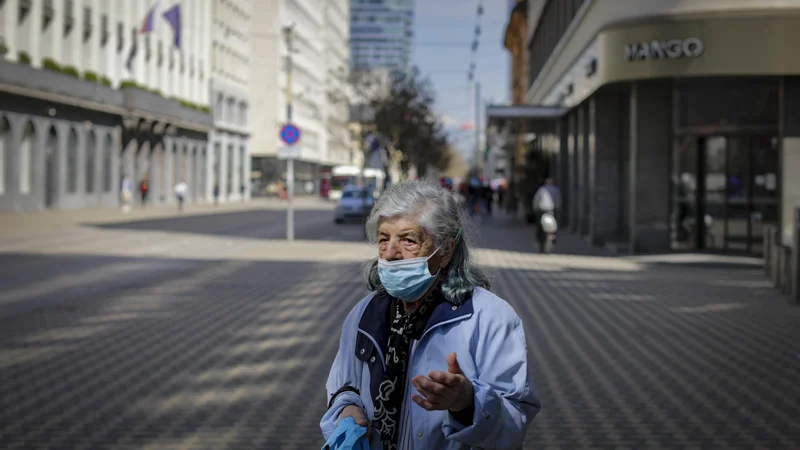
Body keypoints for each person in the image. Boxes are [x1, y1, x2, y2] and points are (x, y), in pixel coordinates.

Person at [320, 181, 540, 450]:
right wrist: (346, 410)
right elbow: (342, 387)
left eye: (408, 240)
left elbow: (515, 425)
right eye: (383, 239)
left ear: (445, 251)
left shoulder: (490, 318)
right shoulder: (364, 315)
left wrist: (468, 403)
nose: (390, 253)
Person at [532, 177, 561, 250]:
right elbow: (558, 200)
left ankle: (539, 240)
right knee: (554, 225)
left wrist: (535, 208)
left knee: (540, 226)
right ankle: (554, 238)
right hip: (551, 210)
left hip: (542, 210)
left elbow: (536, 200)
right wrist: (558, 209)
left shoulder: (542, 189)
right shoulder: (556, 190)